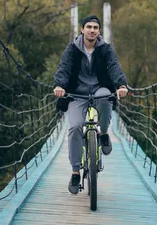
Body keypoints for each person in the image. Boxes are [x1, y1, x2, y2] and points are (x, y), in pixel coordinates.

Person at [53, 14, 128, 194]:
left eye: (95, 28)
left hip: (99, 88)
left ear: (99, 31)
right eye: (89, 27)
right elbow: (64, 67)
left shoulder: (105, 49)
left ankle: (103, 133)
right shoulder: (72, 48)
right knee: (75, 127)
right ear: (82, 29)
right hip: (77, 93)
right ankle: (75, 171)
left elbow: (115, 66)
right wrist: (59, 85)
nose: (92, 30)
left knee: (106, 99)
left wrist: (121, 85)